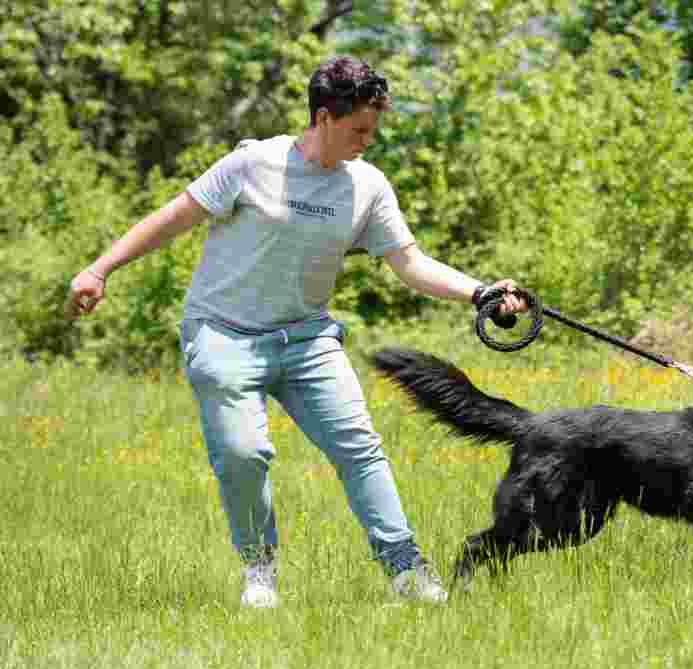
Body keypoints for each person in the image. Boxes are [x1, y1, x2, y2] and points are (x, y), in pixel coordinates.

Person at [64, 55, 525, 608]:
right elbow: (171, 218)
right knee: (242, 453)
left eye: (373, 131)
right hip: (224, 335)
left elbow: (410, 263)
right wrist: (99, 269)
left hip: (307, 339)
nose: (367, 142)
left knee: (359, 447)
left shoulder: (366, 186)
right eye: (358, 130)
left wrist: (480, 292)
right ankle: (259, 572)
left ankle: (406, 569)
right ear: (324, 117)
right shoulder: (252, 164)